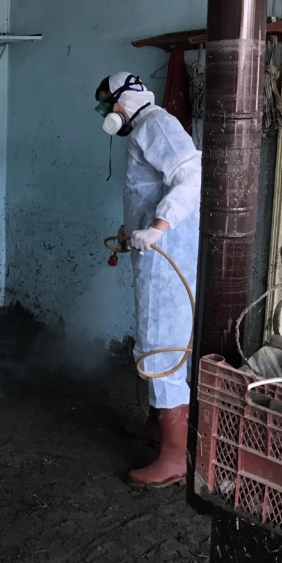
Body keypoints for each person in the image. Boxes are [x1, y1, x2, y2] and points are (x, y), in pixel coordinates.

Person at [95, 71, 201, 488]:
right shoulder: (145, 128)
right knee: (154, 338)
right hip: (154, 252)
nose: (105, 112)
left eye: (107, 104)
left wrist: (158, 228)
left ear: (125, 99)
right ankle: (158, 426)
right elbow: (146, 188)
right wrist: (134, 229)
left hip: (167, 254)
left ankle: (174, 458)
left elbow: (191, 176)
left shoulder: (157, 124)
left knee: (163, 345)